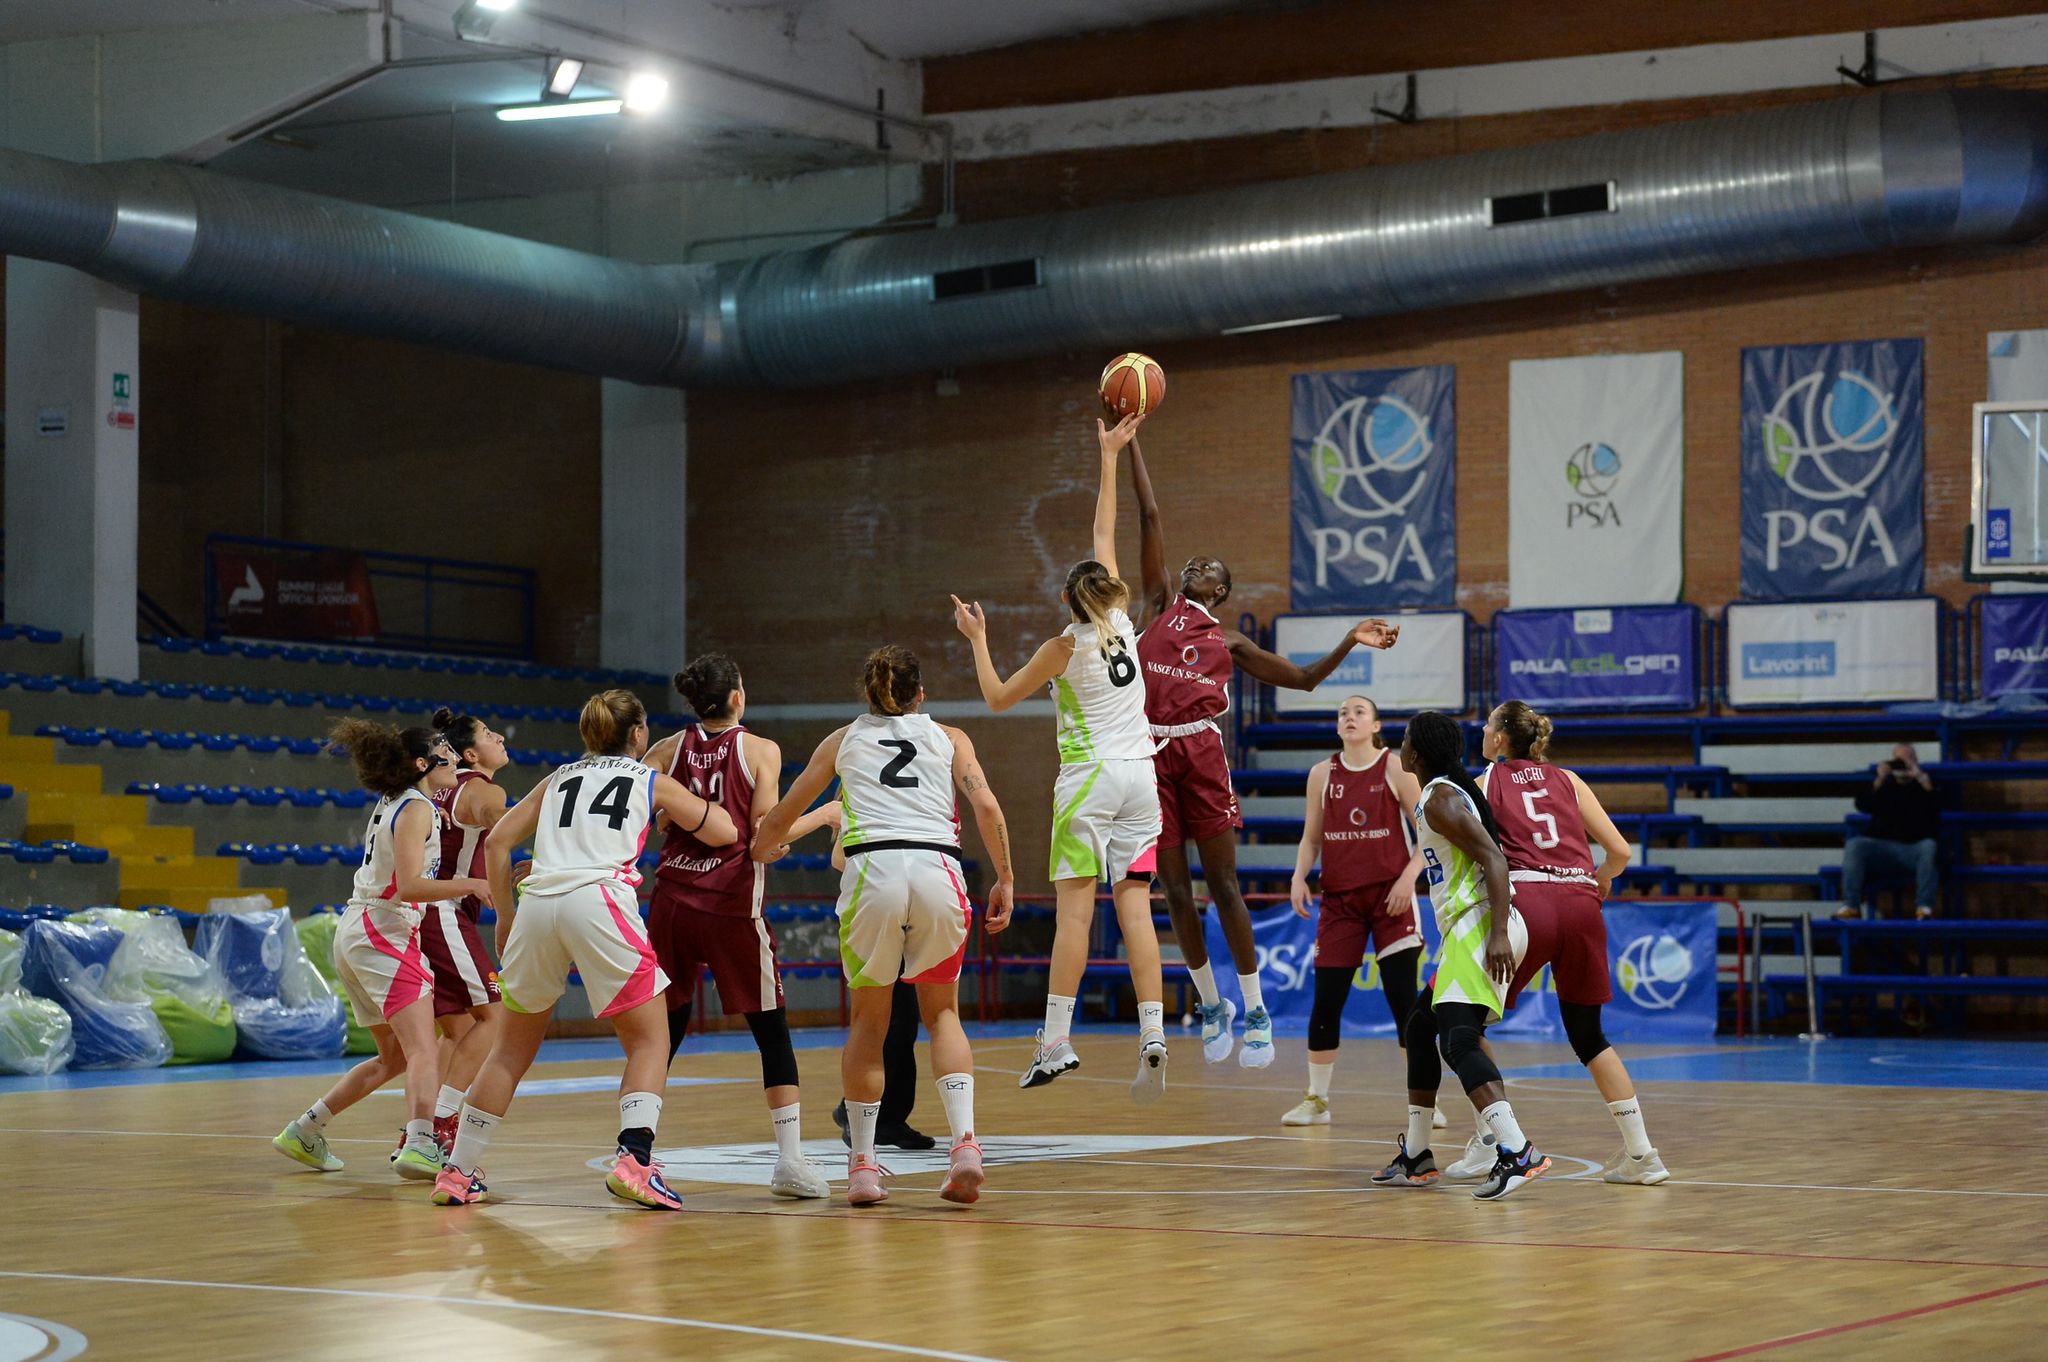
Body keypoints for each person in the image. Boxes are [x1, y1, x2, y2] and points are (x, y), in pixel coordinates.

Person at [1126, 434, 1397, 1067]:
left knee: (1222, 882)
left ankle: (1254, 1009)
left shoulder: (1230, 643)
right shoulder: (1158, 606)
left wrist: (1350, 641)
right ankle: (1210, 1003)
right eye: (1193, 563)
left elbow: (1304, 681)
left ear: (1221, 592)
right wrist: (1134, 440)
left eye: (1210, 569)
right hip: (1150, 755)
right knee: (1172, 887)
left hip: (1200, 755)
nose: (1198, 566)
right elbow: (1149, 516)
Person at [432, 689, 737, 1211]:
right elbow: (724, 830)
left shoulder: (558, 778)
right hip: (600, 901)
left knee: (509, 1051)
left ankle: (457, 1173)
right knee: (648, 1042)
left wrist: (506, 914)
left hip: (539, 904)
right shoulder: (649, 779)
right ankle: (635, 1160)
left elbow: (500, 842)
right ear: (638, 735)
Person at [953, 412, 1169, 1102]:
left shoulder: (1063, 646)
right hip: (1143, 777)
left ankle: (1053, 1040)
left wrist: (978, 637)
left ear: (1066, 600)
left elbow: (994, 699)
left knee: (1077, 915)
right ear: (1104, 594)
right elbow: (1105, 531)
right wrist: (1109, 455)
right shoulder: (1124, 625)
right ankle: (1155, 1032)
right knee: (1135, 910)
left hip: (1090, 782)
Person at [754, 646, 1015, 1207]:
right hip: (937, 869)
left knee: (870, 1022)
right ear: (921, 694)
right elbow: (988, 808)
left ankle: (864, 1167)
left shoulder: (842, 739)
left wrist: (762, 845)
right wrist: (1005, 878)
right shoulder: (950, 738)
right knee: (943, 1013)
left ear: (867, 694)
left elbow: (781, 815)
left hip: (872, 869)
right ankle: (966, 1146)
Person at [645, 653, 840, 1200]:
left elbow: (647, 810)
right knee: (771, 1032)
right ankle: (789, 1161)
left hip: (670, 904)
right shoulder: (761, 751)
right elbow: (767, 842)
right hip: (730, 906)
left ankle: (637, 1151)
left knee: (664, 1032)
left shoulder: (666, 749)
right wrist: (824, 816)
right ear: (736, 697)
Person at [273, 721, 490, 1179]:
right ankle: (419, 1143)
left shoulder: (403, 802)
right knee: (423, 1050)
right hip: (383, 930)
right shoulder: (416, 809)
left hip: (358, 930)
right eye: (442, 751)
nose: (452, 757)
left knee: (393, 1057)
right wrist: (471, 882)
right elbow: (411, 885)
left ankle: (304, 1131)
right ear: (421, 764)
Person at [1467, 700, 1669, 1186]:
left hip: (1530, 902)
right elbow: (1620, 851)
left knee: (1465, 1019)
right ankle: (1643, 1155)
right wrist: (1600, 879)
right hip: (1581, 903)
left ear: (1498, 739)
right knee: (1589, 1036)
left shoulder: (1484, 783)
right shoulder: (1569, 780)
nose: (1482, 731)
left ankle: (1492, 1141)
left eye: (1487, 724)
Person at [1369, 711, 1549, 1202]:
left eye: (1403, 739)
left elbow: (1495, 858)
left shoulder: (1442, 798)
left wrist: (1493, 935)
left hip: (1482, 924)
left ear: (1418, 754)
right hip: (1469, 927)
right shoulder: (1442, 792)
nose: (1397, 745)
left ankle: (1516, 1150)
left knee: (1459, 1040)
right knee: (1419, 1026)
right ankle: (1419, 1154)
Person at [1283, 695, 1432, 1128]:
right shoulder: (1321, 774)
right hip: (1341, 902)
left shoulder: (1394, 768)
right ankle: (1316, 1100)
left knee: (1405, 1002)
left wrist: (1409, 879)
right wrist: (1298, 877)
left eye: (1358, 712)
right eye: (1343, 713)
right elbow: (1312, 838)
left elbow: (1430, 831)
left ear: (1376, 725)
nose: (1349, 717)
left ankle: (1426, 1102)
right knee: (1327, 1001)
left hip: (1392, 898)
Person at [415, 707, 509, 1156]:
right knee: (496, 1015)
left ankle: (418, 1137)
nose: (501, 739)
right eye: (491, 734)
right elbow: (501, 828)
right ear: (471, 752)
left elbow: (480, 848)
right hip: (445, 912)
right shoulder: (482, 790)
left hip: (427, 914)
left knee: (456, 1033)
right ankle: (443, 1118)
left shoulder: (442, 790)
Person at [1838, 744, 1941, 921]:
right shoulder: (1885, 786)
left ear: (1916, 762)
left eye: (1908, 760)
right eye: (1898, 761)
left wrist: (1922, 779)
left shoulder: (1925, 785)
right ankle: (1851, 906)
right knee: (1855, 845)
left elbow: (1937, 806)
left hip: (1914, 849)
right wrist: (1879, 780)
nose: (1902, 765)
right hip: (1883, 850)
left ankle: (1924, 907)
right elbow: (1862, 805)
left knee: (1930, 847)